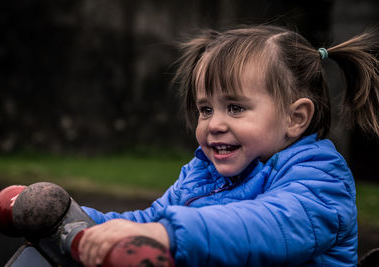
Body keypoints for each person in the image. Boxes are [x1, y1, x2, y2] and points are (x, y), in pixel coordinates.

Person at [78, 25, 379, 266]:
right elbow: (147, 220)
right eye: (206, 109)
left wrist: (168, 233)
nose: (214, 124)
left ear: (295, 118)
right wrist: (75, 218)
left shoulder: (321, 182)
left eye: (235, 108)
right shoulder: (203, 174)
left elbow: (262, 227)